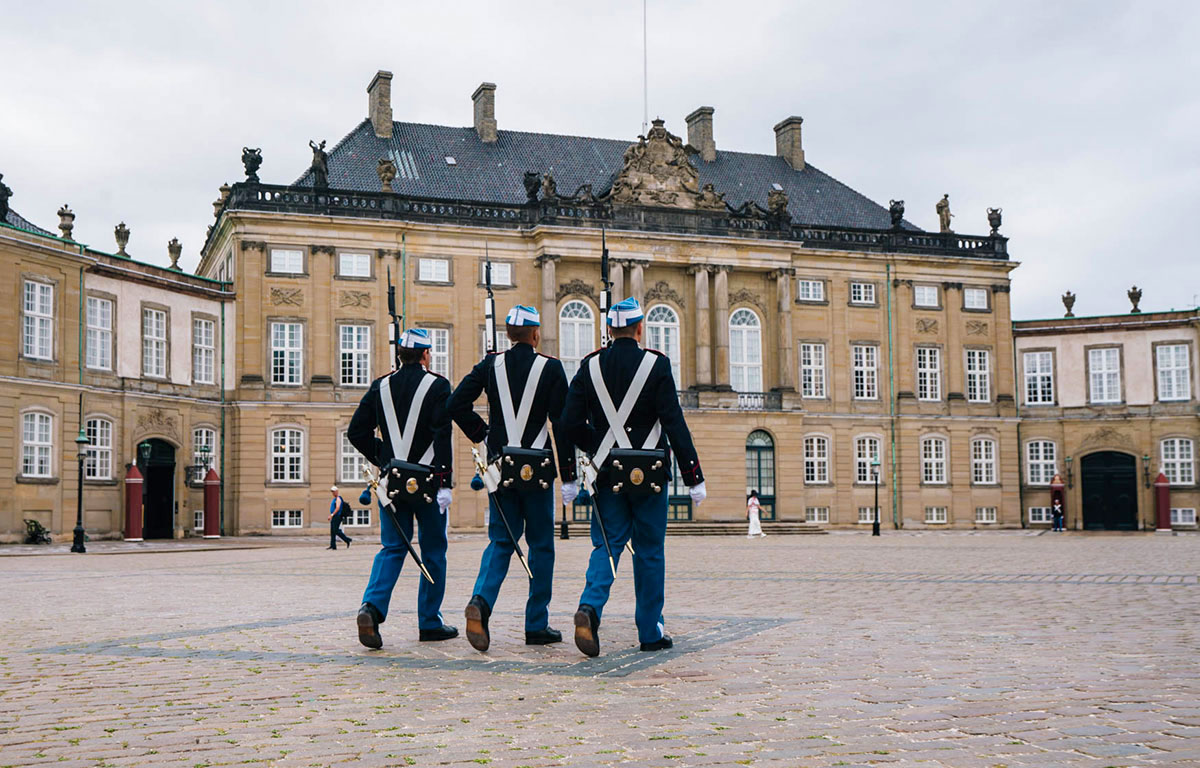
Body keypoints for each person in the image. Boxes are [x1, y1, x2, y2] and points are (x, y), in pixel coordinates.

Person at [562, 297, 706, 657]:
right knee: (650, 551)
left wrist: (596, 447)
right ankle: (649, 631)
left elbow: (567, 423)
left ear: (610, 330)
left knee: (606, 546)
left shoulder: (589, 366)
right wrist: (693, 475)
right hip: (651, 474)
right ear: (640, 328)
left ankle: (590, 608)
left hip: (607, 473)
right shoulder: (656, 365)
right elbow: (673, 421)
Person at [447, 305, 577, 652]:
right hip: (538, 471)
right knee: (541, 546)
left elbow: (455, 404)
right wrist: (569, 475)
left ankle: (481, 601)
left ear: (508, 335)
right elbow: (561, 424)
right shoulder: (550, 367)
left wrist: (484, 433)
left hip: (501, 468)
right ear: (535, 334)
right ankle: (536, 623)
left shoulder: (490, 365)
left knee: (502, 542)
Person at [348, 328, 457, 648]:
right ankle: (429, 620)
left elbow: (357, 431)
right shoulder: (437, 385)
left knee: (393, 548)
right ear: (426, 355)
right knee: (434, 550)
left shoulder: (380, 386)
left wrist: (385, 457)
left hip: (392, 482)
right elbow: (442, 437)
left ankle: (372, 607)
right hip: (427, 483)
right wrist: (445, 482)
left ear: (400, 356)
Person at [327, 485, 353, 549]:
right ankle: (333, 545)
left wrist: (332, 515)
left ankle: (347, 539)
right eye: (332, 492)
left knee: (335, 530)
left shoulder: (338, 499)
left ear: (337, 491)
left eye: (334, 491)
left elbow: (337, 508)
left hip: (337, 516)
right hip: (334, 516)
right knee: (332, 531)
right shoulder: (334, 499)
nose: (333, 493)